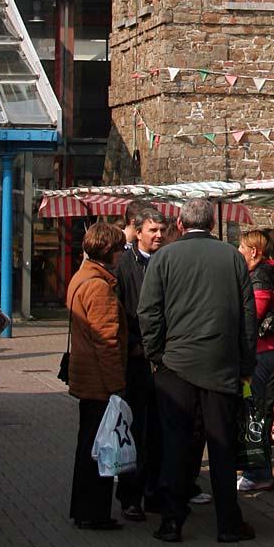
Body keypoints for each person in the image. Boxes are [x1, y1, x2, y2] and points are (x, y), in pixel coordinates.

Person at [138, 197, 257, 545]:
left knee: (176, 445)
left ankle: (172, 521)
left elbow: (148, 312)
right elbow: (248, 318)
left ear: (179, 224)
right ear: (213, 226)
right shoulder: (233, 258)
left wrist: (156, 352)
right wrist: (245, 364)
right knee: (222, 447)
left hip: (175, 366)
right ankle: (228, 523)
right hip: (221, 365)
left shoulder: (164, 258)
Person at [66, 220, 128, 531]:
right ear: (110, 251)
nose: (122, 254)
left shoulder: (82, 277)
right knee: (99, 448)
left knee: (87, 444)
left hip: (85, 375)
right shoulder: (99, 287)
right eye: (119, 249)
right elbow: (107, 341)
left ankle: (83, 508)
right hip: (98, 381)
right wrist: (117, 384)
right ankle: (94, 511)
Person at [114, 205, 164, 521]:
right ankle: (130, 495)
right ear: (138, 230)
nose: (158, 236)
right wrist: (132, 344)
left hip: (162, 360)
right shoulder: (124, 265)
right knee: (134, 428)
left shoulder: (167, 260)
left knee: (160, 430)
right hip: (135, 360)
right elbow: (119, 310)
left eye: (161, 231)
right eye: (153, 231)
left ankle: (155, 492)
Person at [237, 229, 274, 494]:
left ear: (254, 251)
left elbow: (252, 317)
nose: (239, 252)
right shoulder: (271, 272)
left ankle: (257, 472)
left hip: (262, 352)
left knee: (255, 411)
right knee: (259, 410)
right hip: (269, 350)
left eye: (241, 248)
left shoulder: (260, 277)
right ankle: (258, 469)